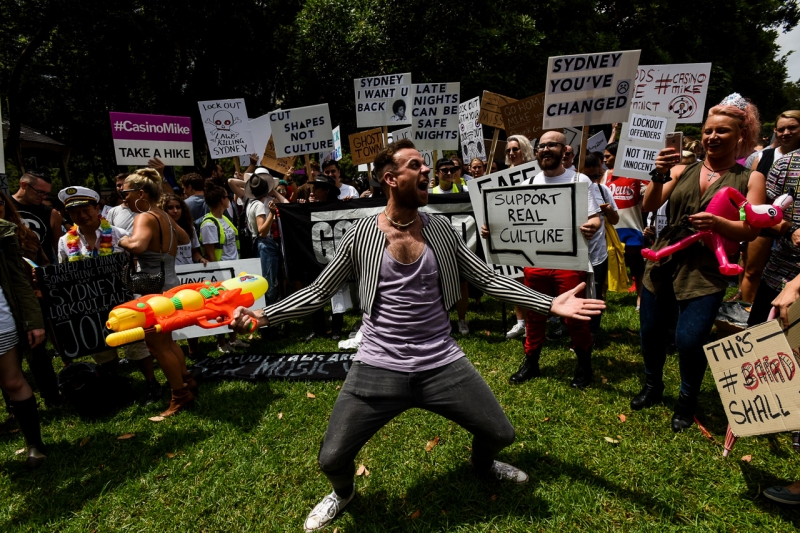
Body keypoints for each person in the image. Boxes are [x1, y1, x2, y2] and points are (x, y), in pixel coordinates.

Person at [228, 139, 604, 531]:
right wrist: (263, 315)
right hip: (377, 366)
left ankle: (482, 463)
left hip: (441, 362)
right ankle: (343, 493)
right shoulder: (360, 235)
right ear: (390, 178)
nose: (428, 171)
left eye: (425, 165)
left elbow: (487, 278)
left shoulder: (440, 229)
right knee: (331, 459)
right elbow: (319, 292)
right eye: (415, 165)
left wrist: (548, 304)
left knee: (501, 433)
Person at [635, 93, 765, 431]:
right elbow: (649, 206)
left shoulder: (750, 178)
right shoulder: (682, 169)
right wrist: (659, 174)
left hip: (706, 269)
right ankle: (652, 385)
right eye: (708, 130)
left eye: (722, 131)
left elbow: (752, 229)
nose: (712, 137)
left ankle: (687, 400)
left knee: (690, 339)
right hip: (663, 260)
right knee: (650, 332)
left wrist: (719, 225)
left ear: (741, 136)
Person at [487, 131, 602, 387]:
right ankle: (531, 362)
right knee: (534, 314)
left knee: (575, 317)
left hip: (569, 264)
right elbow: (511, 221)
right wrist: (491, 229)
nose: (546, 149)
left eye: (552, 145)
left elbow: (595, 217)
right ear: (537, 152)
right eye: (542, 146)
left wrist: (592, 226)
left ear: (564, 150)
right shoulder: (528, 184)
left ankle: (584, 365)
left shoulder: (579, 180)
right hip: (536, 263)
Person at [118, 168, 194, 417]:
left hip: (152, 290)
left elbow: (137, 245)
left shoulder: (144, 217)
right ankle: (185, 381)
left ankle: (179, 395)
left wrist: (122, 240)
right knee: (168, 342)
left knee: (157, 346)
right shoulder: (161, 214)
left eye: (125, 193)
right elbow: (183, 238)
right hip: (170, 284)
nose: (123, 198)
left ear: (140, 193)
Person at [0, 192, 60, 408]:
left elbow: (44, 264)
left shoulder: (26, 235)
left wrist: (40, 277)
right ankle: (14, 408)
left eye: (0, 202)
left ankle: (52, 398)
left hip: (30, 302)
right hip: (6, 308)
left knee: (38, 356)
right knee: (8, 366)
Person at [0, 214, 48, 469]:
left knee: (11, 380)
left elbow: (19, 279)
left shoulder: (2, 232)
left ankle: (35, 445)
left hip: (2, 317)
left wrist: (34, 320)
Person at [738, 110, 800, 304]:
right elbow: (750, 196)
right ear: (775, 131)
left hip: (791, 230)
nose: (786, 133)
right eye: (781, 129)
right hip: (767, 222)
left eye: (792, 128)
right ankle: (747, 308)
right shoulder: (763, 157)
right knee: (753, 269)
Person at [746, 148, 800, 325]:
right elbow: (759, 212)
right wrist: (789, 230)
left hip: (794, 284)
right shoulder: (785, 165)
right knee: (758, 338)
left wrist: (796, 284)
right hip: (779, 272)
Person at [602, 142, 648, 308]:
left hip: (632, 227)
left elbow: (649, 197)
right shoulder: (605, 175)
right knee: (605, 265)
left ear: (618, 155)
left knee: (636, 266)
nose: (605, 159)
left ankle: (641, 298)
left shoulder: (636, 175)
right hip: (610, 229)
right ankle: (602, 298)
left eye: (608, 156)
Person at [501, 135, 536, 340]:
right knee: (515, 277)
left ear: (525, 149)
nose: (512, 153)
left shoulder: (537, 174)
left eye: (516, 149)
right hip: (510, 232)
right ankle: (520, 322)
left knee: (533, 277)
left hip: (533, 231)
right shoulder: (502, 176)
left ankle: (535, 321)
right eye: (509, 151)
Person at [431, 158, 470, 334]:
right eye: (444, 170)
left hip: (459, 245)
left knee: (462, 284)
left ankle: (462, 320)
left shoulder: (463, 190)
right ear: (437, 173)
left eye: (452, 169)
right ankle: (442, 319)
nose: (448, 173)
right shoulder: (430, 193)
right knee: (438, 285)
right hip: (437, 247)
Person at [584, 153, 619, 333]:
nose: (592, 180)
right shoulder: (570, 190)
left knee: (595, 293)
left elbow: (615, 220)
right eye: (588, 176)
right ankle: (567, 327)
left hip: (598, 254)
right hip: (575, 255)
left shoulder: (603, 191)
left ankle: (593, 330)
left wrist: (609, 211)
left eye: (596, 176)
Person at [11, 171, 64, 264]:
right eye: (40, 192)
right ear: (24, 185)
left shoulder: (52, 213)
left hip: (44, 271)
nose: (44, 197)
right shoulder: (4, 206)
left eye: (46, 194)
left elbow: (59, 249)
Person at [245, 172, 282, 304]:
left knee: (265, 280)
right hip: (265, 245)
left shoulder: (250, 203)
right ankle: (268, 317)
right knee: (270, 283)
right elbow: (262, 231)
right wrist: (272, 214)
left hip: (258, 245)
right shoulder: (260, 206)